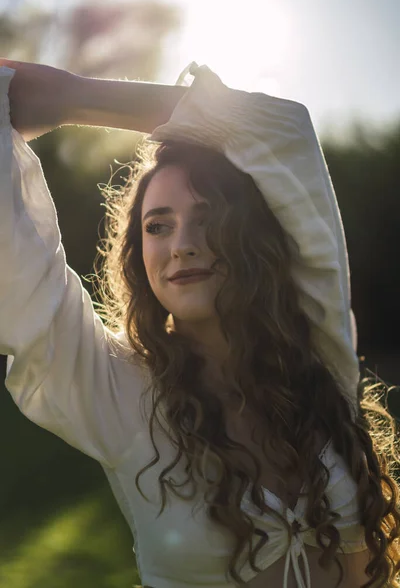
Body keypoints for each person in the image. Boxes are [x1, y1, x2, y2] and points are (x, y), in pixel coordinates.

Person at [0, 58, 399, 588]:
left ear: (251, 239)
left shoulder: (317, 350)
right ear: (138, 252)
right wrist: (40, 100)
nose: (182, 244)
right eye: (158, 225)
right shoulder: (117, 387)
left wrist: (72, 94)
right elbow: (18, 270)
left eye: (209, 217)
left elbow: (286, 130)